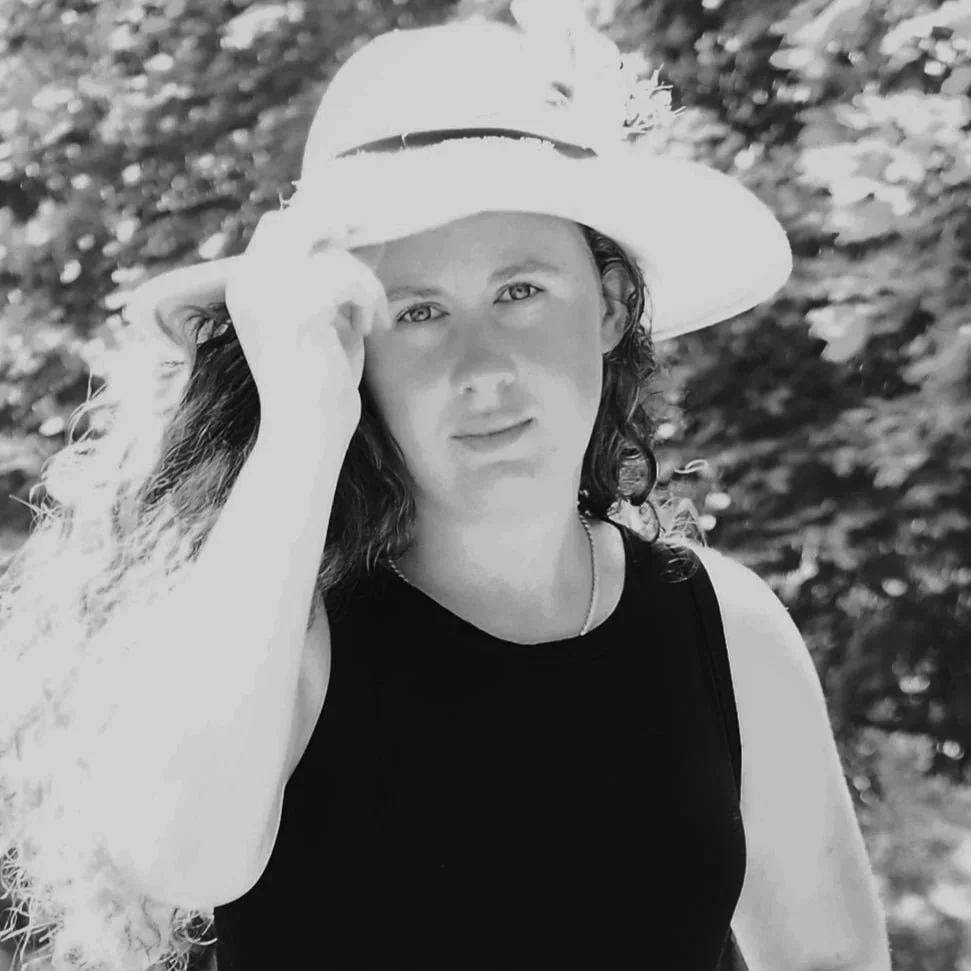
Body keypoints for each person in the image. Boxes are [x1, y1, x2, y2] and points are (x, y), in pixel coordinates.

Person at [0, 3, 892, 970]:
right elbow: (180, 857)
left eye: (520, 290)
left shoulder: (728, 629)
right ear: (353, 349)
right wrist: (303, 422)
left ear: (612, 304)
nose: (482, 367)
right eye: (417, 311)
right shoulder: (277, 633)